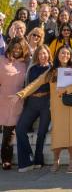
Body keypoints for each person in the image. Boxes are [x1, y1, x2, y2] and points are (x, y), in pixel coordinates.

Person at [12, 45, 72, 172]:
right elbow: (36, 83)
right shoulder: (51, 71)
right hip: (58, 107)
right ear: (57, 55)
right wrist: (21, 94)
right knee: (58, 134)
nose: (65, 56)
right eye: (62, 53)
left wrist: (66, 89)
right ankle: (55, 160)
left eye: (67, 54)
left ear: (70, 56)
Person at [15, 45, 52, 172]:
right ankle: (27, 159)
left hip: (46, 102)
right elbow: (30, 85)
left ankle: (38, 159)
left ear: (49, 54)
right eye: (40, 54)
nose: (43, 56)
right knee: (20, 129)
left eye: (45, 53)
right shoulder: (32, 68)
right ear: (37, 55)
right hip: (32, 102)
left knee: (42, 132)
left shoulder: (52, 69)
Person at [0, 38, 30, 170]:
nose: (17, 50)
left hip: (16, 101)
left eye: (20, 48)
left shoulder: (26, 64)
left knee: (9, 132)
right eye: (15, 47)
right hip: (1, 98)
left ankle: (6, 159)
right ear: (10, 47)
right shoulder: (1, 60)